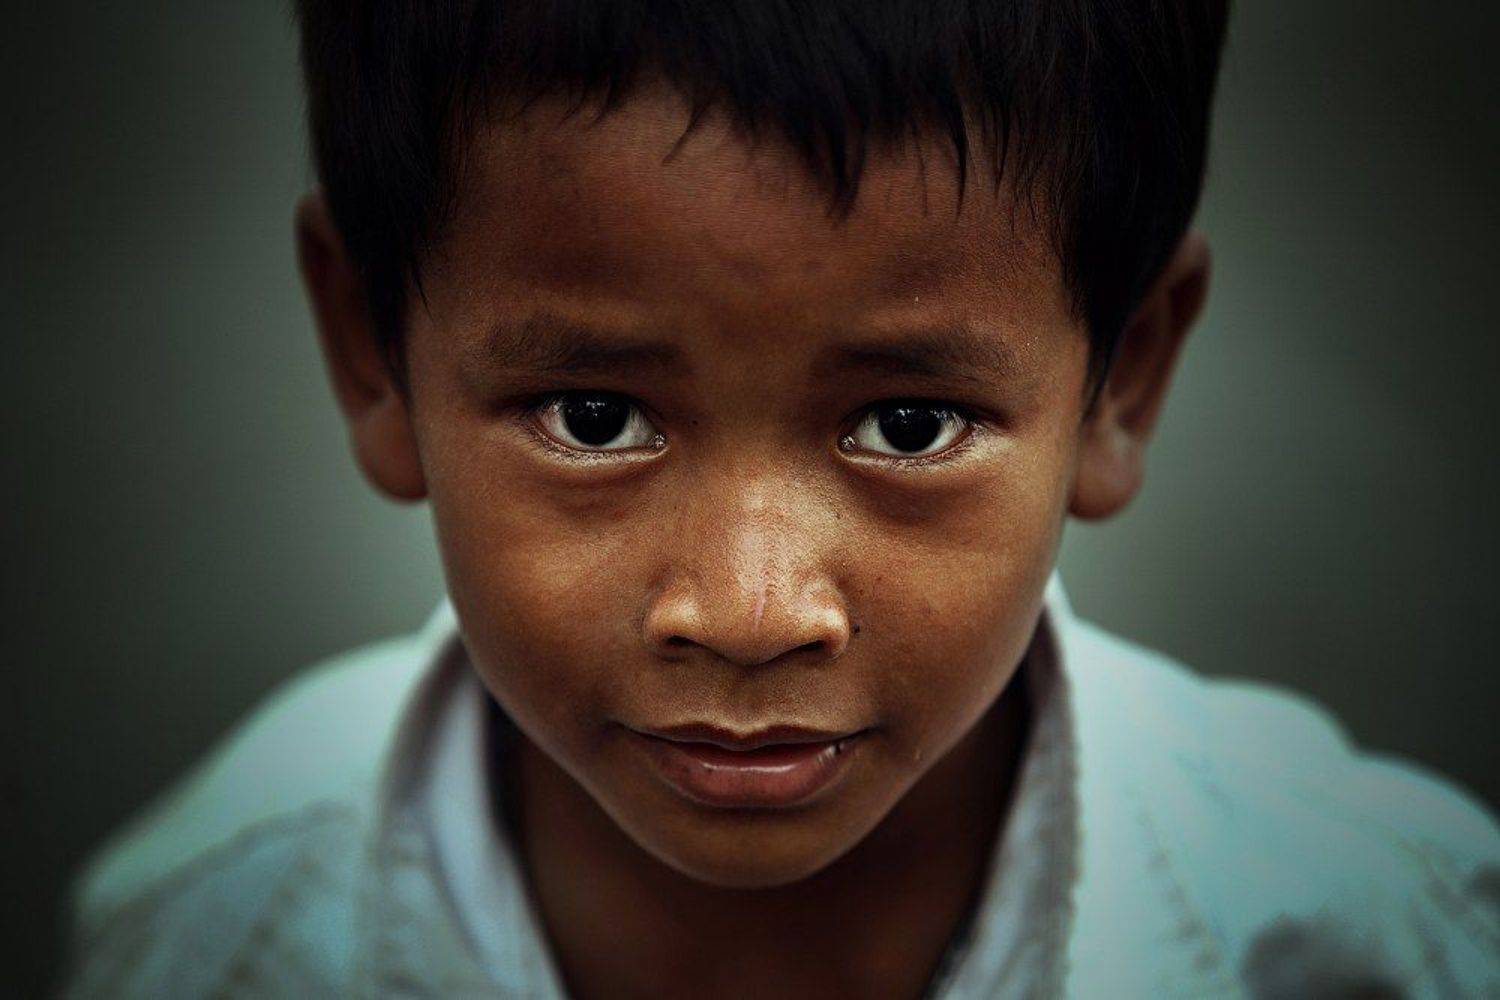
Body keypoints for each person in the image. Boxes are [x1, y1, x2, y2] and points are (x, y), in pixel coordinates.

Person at [59, 2, 1498, 997]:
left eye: (911, 423)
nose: (749, 613)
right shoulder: (203, 932)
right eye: (596, 417)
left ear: (1123, 376)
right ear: (373, 352)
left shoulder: (1383, 939)